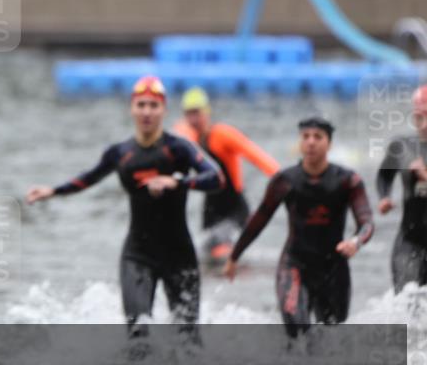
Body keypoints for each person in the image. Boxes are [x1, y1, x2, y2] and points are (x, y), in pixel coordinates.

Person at [26, 76, 224, 337]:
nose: (147, 112)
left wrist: (177, 182)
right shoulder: (120, 153)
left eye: (153, 105)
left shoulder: (179, 149)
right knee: (138, 333)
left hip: (179, 255)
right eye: (141, 105)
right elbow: (89, 178)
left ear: (164, 110)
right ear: (132, 108)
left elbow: (216, 178)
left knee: (188, 339)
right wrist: (54, 191)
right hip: (138, 256)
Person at [223, 117, 374, 337]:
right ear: (300, 142)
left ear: (329, 144)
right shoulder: (285, 180)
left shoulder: (347, 181)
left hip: (333, 268)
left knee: (332, 338)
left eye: (318, 137)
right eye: (305, 137)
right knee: (298, 331)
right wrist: (234, 256)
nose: (311, 142)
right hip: (294, 265)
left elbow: (366, 221)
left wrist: (356, 241)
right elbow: (259, 219)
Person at [173, 86, 280, 265]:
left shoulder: (222, 134)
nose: (193, 119)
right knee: (203, 254)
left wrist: (283, 178)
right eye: (189, 114)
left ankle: (239, 276)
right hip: (211, 210)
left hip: (234, 208)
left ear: (207, 112)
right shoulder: (190, 138)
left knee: (223, 254)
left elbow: (253, 153)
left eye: (197, 113)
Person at [376, 85, 427, 293]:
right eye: (420, 117)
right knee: (407, 299)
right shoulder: (402, 146)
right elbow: (384, 175)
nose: (425, 124)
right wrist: (384, 197)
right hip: (409, 241)